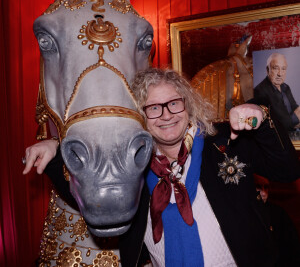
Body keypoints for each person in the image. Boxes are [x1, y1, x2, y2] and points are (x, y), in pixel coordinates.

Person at [24, 68, 300, 267]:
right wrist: (54, 151)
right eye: (153, 108)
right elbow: (92, 197)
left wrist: (260, 116)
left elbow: (287, 171)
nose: (166, 114)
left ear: (187, 105)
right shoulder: (131, 163)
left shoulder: (226, 141)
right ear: (139, 117)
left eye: (173, 103)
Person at [253, 174, 300, 267]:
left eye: (266, 187)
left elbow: (293, 248)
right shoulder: (241, 214)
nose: (263, 193)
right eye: (258, 187)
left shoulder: (278, 213)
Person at [254, 52, 300, 131]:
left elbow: (294, 107)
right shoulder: (260, 91)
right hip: (277, 139)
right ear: (268, 70)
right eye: (276, 68)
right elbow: (272, 125)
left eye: (283, 68)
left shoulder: (285, 87)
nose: (280, 73)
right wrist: (295, 120)